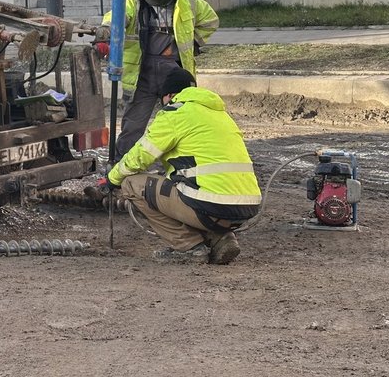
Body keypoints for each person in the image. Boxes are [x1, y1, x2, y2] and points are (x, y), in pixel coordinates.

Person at [91, 68, 261, 264]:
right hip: (246, 206)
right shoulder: (220, 114)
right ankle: (221, 238)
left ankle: (188, 246)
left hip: (212, 204)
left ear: (170, 95)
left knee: (132, 184)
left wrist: (112, 179)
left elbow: (140, 156)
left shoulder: (175, 113)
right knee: (189, 185)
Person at [101, 0, 218, 158]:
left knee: (181, 121)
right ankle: (121, 164)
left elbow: (211, 21)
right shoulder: (132, 0)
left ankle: (185, 163)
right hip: (142, 74)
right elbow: (119, 15)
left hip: (173, 74)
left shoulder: (187, 2)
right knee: (133, 125)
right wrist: (107, 29)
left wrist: (193, 43)